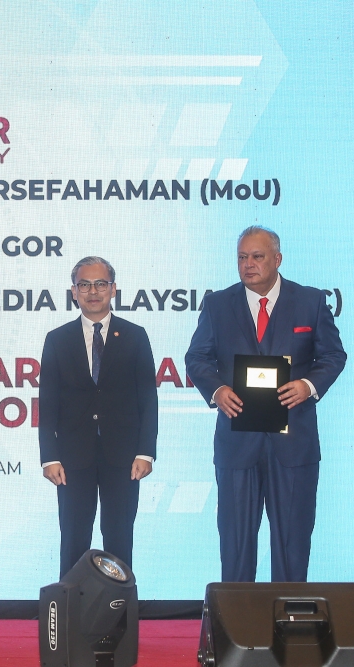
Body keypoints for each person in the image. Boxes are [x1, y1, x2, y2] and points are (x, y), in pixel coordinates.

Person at [186, 226, 345, 582]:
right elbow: (196, 358)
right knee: (235, 545)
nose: (248, 265)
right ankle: (237, 633)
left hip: (293, 443)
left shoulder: (310, 301)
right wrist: (216, 390)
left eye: (257, 257)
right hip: (237, 442)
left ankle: (288, 629)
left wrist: (308, 385)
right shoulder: (217, 304)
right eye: (242, 257)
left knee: (292, 544)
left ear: (277, 259)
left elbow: (334, 355)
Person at [38, 257, 157, 578]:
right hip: (72, 459)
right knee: (74, 539)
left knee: (119, 539)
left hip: (125, 457)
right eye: (85, 285)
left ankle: (118, 618)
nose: (93, 291)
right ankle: (70, 616)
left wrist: (145, 452)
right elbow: (47, 404)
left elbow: (148, 399)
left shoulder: (135, 336)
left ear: (113, 289)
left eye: (101, 284)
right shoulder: (57, 339)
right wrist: (49, 457)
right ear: (73, 292)